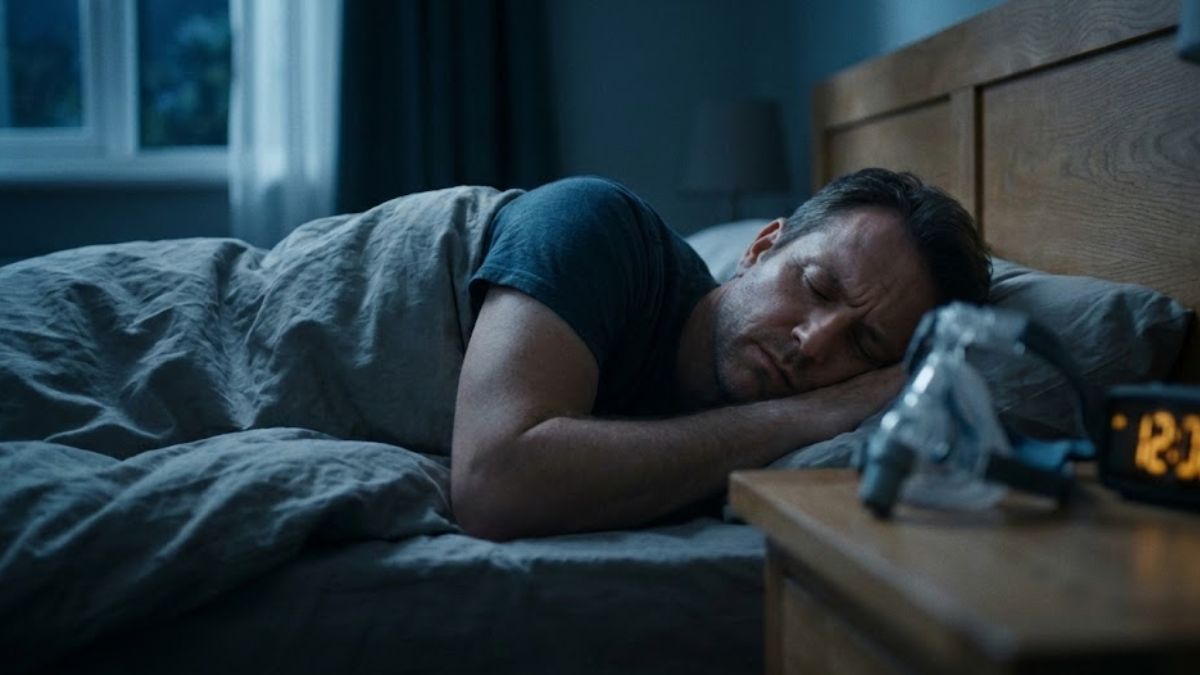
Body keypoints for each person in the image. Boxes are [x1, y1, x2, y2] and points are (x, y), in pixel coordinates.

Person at [452, 168, 991, 540]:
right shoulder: (593, 222)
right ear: (759, 249)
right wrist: (806, 415)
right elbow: (494, 484)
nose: (815, 341)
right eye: (818, 287)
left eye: (864, 344)